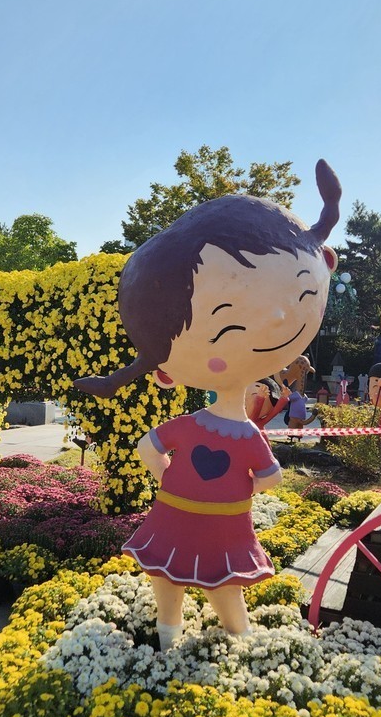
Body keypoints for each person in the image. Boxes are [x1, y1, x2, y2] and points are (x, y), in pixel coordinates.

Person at [76, 161, 340, 646]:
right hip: (208, 521)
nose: (276, 317)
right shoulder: (241, 435)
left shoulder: (203, 428)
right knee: (197, 583)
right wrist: (233, 489)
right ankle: (207, 637)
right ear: (165, 373)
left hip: (189, 518)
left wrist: (170, 479)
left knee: (196, 583)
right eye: (227, 323)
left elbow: (149, 449)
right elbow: (271, 478)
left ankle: (205, 637)